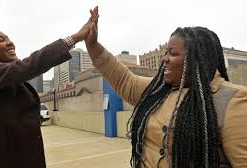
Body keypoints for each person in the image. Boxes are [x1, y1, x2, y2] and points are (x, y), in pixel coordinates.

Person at [85, 7, 247, 168]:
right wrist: (92, 44)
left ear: (197, 60)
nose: (165, 60)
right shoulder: (159, 89)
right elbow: (123, 79)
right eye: (165, 53)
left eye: (173, 53)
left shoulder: (233, 100)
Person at [0, 17, 92, 168]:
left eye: (8, 38)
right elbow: (26, 67)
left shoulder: (11, 79)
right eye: (1, 40)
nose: (10, 42)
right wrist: (75, 38)